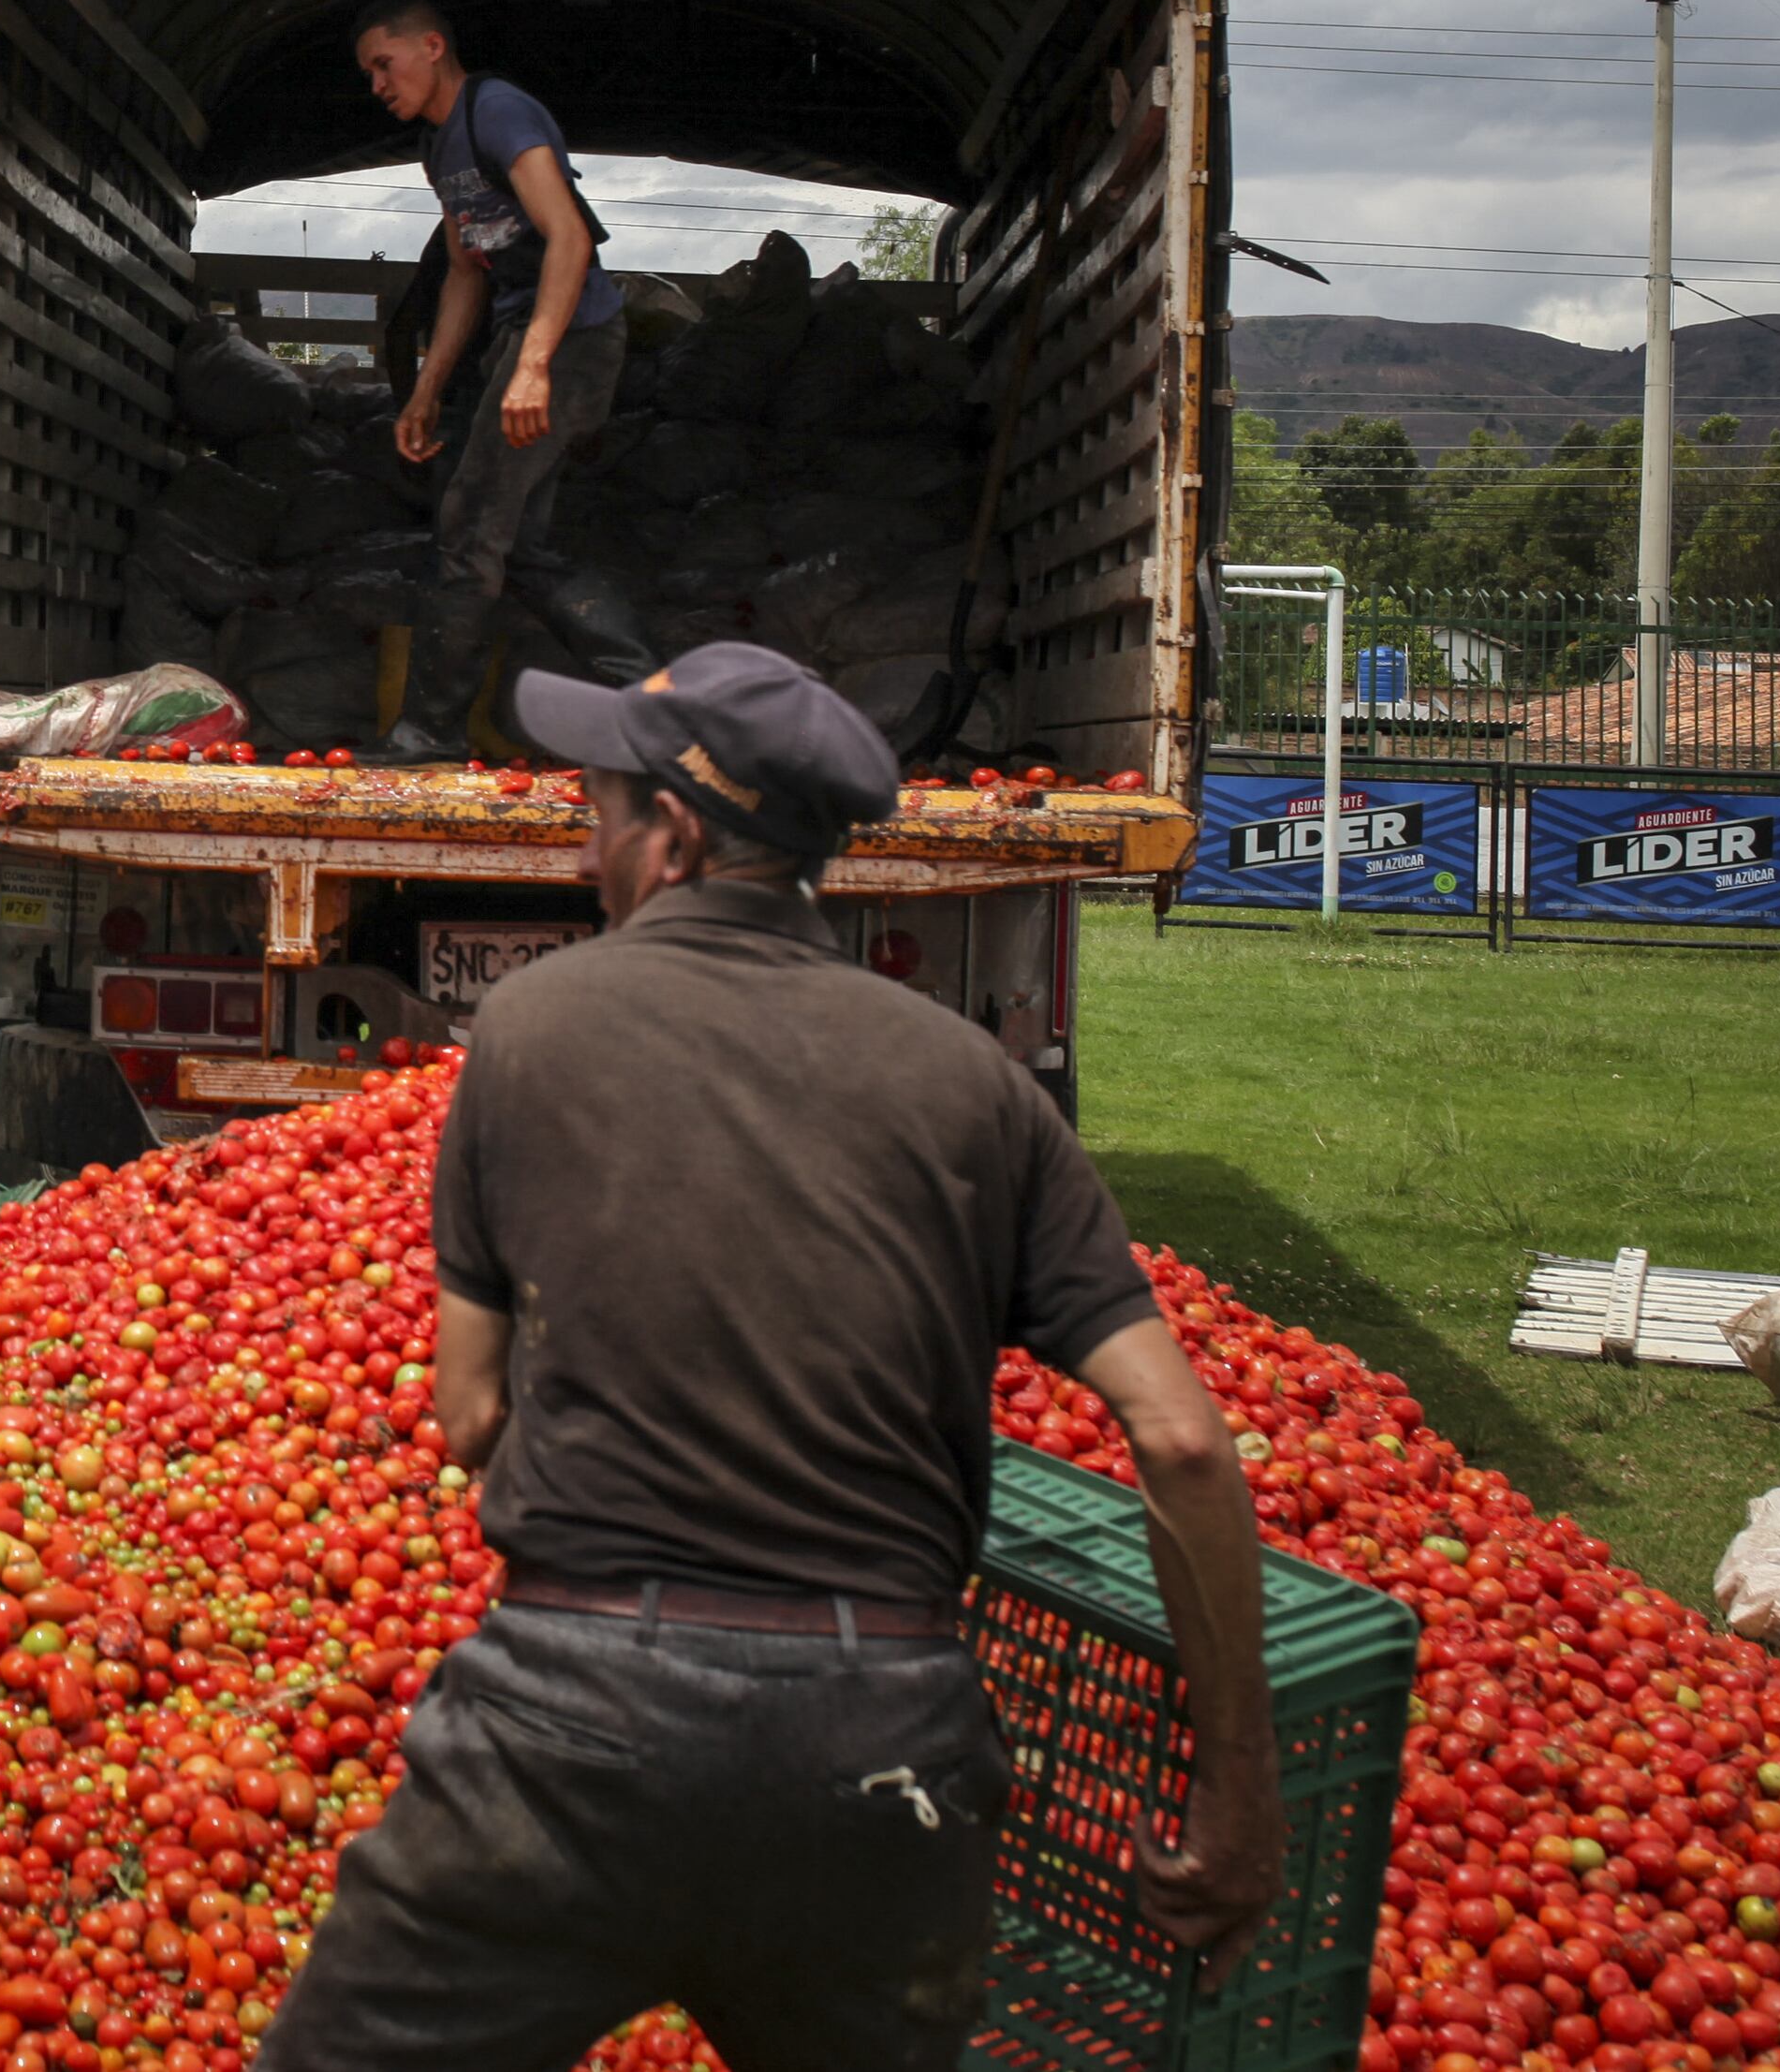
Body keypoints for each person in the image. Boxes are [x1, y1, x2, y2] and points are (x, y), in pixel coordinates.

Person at [255, 642, 1276, 2072]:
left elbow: (468, 1415)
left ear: (671, 838)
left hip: (572, 1727)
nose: (586, 838)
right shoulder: (975, 1088)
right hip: (880, 1755)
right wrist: (1239, 1798)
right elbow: (1177, 1437)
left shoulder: (533, 1031)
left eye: (601, 807)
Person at [351, 0, 630, 764]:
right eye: (369, 73)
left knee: (471, 526)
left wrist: (535, 363)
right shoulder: (439, 147)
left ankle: (429, 730)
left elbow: (569, 235)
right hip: (523, 332)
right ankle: (657, 697)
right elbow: (465, 277)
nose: (377, 84)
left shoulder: (499, 112)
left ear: (432, 46)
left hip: (574, 338)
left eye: (385, 63)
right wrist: (427, 388)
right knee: (522, 546)